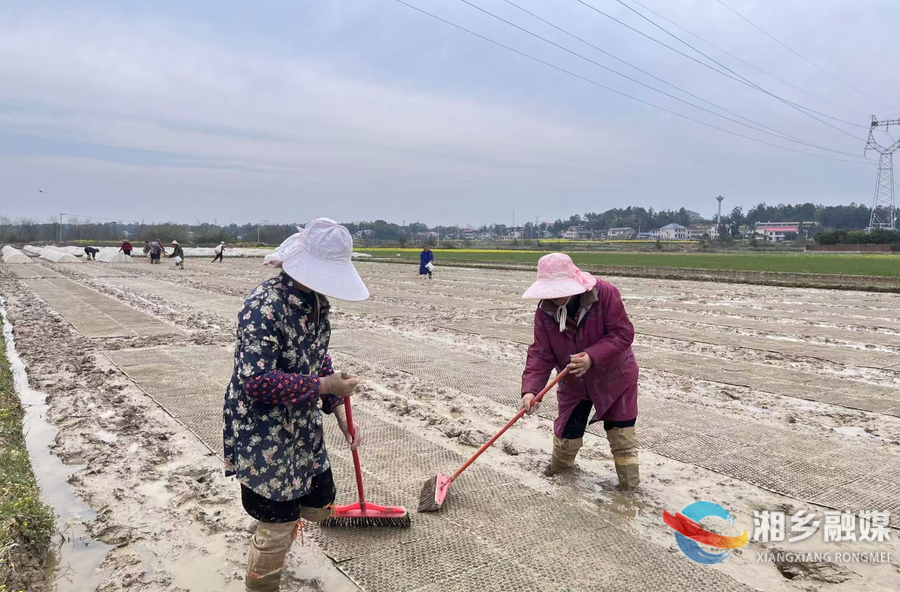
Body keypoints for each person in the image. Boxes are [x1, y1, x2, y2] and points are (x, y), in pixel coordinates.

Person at [223, 218, 369, 592]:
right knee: (277, 516)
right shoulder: (264, 306)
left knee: (319, 501)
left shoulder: (316, 303)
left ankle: (287, 532)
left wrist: (338, 409)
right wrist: (323, 385)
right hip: (263, 428)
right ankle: (263, 582)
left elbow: (319, 360)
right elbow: (255, 381)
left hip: (301, 420)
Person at [520, 253, 640, 490]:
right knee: (566, 437)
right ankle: (561, 483)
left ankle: (630, 491)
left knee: (622, 437)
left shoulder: (604, 294)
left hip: (614, 378)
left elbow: (623, 333)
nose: (554, 297)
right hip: (573, 382)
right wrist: (532, 391)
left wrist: (592, 357)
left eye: (558, 290)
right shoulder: (544, 311)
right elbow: (540, 353)